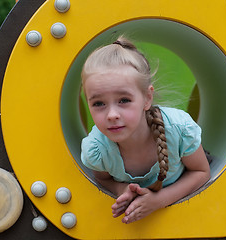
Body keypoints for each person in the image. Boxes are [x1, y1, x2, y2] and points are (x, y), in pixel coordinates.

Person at [80, 36, 211, 224]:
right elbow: (103, 179)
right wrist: (121, 189)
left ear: (147, 98)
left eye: (124, 100)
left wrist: (158, 201)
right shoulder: (97, 149)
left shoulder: (178, 129)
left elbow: (201, 172)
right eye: (98, 103)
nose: (112, 114)